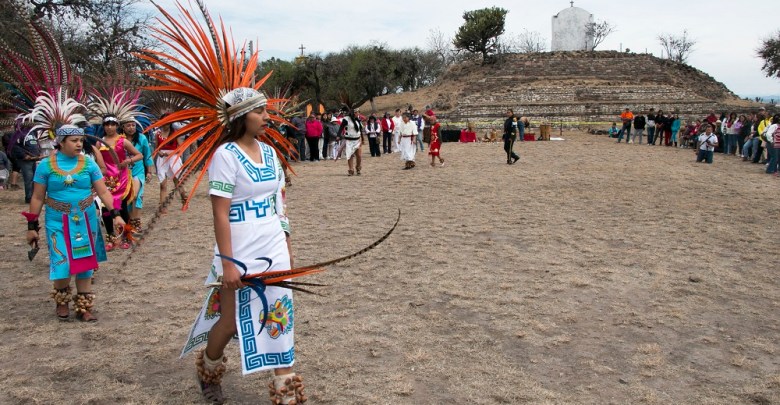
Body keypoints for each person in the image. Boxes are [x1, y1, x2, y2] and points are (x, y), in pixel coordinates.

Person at [142, 3, 305, 402]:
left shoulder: (270, 154)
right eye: (262, 112)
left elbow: (278, 203)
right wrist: (228, 261)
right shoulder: (225, 156)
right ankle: (210, 367)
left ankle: (286, 390)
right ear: (243, 117)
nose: (269, 116)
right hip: (238, 245)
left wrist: (286, 242)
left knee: (279, 314)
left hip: (270, 240)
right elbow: (219, 212)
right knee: (230, 320)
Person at [24, 125, 125, 321]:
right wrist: (31, 227)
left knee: (84, 262)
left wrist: (116, 214)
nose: (79, 144)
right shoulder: (45, 166)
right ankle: (62, 301)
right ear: (61, 142)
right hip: (57, 221)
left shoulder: (89, 164)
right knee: (61, 261)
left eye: (80, 140)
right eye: (74, 140)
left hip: (85, 220)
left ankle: (83, 306)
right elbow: (37, 197)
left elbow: (103, 192)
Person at [98, 115, 142, 250]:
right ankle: (111, 238)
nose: (109, 127)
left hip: (121, 178)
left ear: (117, 126)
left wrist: (128, 161)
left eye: (112, 124)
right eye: (107, 124)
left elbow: (139, 155)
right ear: (103, 126)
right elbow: (98, 161)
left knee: (121, 207)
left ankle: (126, 236)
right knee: (105, 208)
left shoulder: (122, 141)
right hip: (106, 179)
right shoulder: (99, 142)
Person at [123, 119, 154, 234]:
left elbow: (147, 155)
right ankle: (132, 222)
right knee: (127, 198)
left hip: (138, 171)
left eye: (133, 125)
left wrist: (149, 172)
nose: (131, 127)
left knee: (135, 195)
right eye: (128, 125)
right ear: (123, 127)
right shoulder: (120, 140)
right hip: (124, 173)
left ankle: (136, 222)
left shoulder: (142, 138)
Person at [155, 115, 189, 210]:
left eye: (167, 122)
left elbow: (181, 147)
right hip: (162, 159)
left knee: (177, 181)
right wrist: (160, 152)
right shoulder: (157, 134)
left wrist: (172, 153)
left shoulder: (175, 133)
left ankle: (184, 200)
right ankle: (163, 206)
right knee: (162, 182)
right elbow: (157, 148)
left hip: (173, 158)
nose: (165, 124)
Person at [11, 125, 44, 203]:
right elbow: (15, 147)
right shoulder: (19, 134)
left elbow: (36, 144)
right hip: (26, 160)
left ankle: (35, 197)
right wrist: (24, 155)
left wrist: (38, 153)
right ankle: (29, 198)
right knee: (28, 179)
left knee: (36, 179)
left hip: (34, 159)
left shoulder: (33, 133)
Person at [338, 106, 364, 175]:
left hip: (357, 139)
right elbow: (341, 127)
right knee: (350, 155)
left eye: (358, 112)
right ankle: (351, 169)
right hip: (349, 140)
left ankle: (358, 167)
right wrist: (338, 135)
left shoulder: (358, 119)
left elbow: (360, 130)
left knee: (359, 155)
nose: (357, 113)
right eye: (355, 112)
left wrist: (362, 138)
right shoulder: (346, 119)